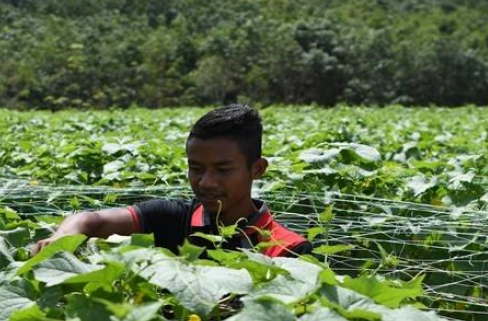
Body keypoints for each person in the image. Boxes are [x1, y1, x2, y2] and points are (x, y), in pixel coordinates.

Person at [31, 104, 312, 258]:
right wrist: (62, 237)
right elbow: (92, 221)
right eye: (196, 168)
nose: (206, 182)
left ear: (257, 169)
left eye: (223, 169)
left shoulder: (287, 249)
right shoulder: (170, 218)